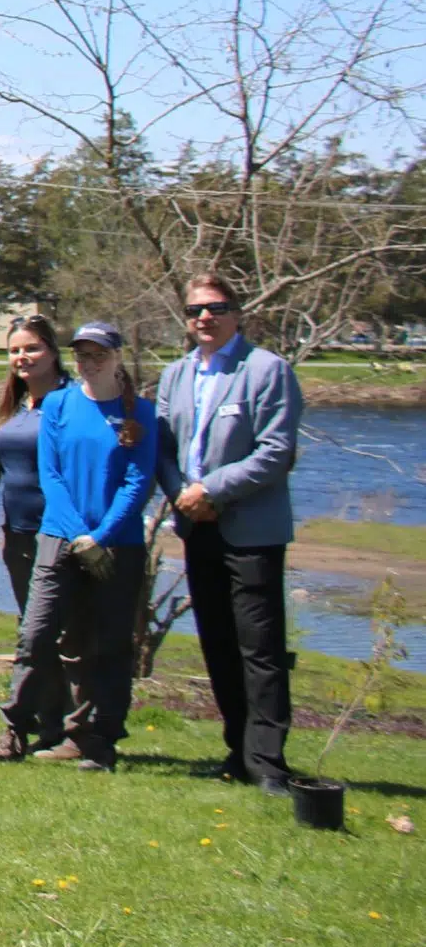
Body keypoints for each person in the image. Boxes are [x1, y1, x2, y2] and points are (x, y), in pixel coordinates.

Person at [156, 274, 304, 793]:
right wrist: (182, 495)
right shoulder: (176, 375)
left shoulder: (266, 371)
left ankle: (268, 762)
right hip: (198, 529)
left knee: (259, 647)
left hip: (252, 531)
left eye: (216, 308)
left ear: (237, 313)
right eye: (195, 309)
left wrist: (212, 491)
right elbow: (162, 447)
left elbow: (275, 452)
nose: (204, 318)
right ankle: (236, 751)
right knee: (217, 642)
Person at [0, 321, 156, 771]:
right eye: (82, 354)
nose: (89, 362)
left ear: (117, 357)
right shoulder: (59, 404)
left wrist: (100, 538)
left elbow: (138, 482)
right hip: (58, 537)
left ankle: (99, 739)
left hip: (118, 546)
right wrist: (77, 533)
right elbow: (52, 475)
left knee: (109, 644)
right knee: (36, 634)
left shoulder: (140, 412)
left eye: (99, 354)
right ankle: (14, 731)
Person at [0, 315, 72, 748]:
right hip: (17, 533)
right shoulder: (14, 407)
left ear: (53, 352)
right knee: (34, 628)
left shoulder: (72, 402)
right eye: (15, 350)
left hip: (58, 534)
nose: (22, 357)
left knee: (41, 633)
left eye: (32, 348)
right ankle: (51, 723)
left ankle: (23, 728)